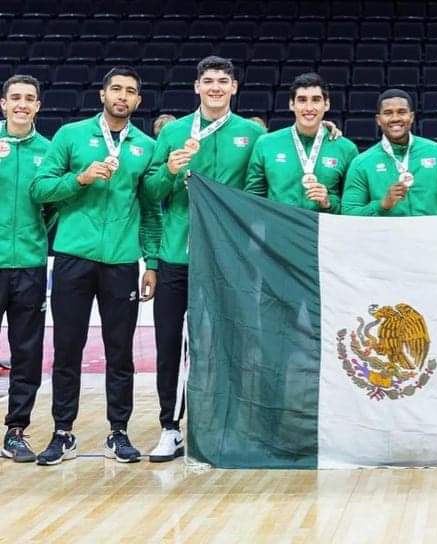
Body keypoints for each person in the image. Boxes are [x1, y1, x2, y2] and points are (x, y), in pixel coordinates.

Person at [30, 66, 161, 465]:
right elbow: (39, 189)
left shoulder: (146, 146)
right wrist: (80, 179)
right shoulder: (71, 136)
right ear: (102, 94)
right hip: (72, 258)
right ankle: (62, 432)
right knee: (67, 348)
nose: (123, 96)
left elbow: (151, 208)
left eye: (131, 92)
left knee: (119, 351)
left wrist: (151, 262)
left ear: (139, 101)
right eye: (116, 89)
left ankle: (118, 432)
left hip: (122, 262)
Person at [143, 56, 265, 462]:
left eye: (223, 81)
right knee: (169, 344)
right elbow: (150, 192)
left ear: (234, 88)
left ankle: (233, 425)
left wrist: (330, 134)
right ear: (196, 87)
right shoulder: (175, 132)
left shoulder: (252, 134)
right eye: (208, 80)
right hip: (178, 254)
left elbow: (259, 190)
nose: (215, 87)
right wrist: (171, 172)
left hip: (229, 258)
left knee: (231, 342)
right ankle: (169, 427)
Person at [0, 75, 50, 462]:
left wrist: (36, 239)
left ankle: (16, 430)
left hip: (30, 265)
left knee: (27, 350)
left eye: (29, 99)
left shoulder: (49, 153)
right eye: (15, 97)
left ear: (38, 106)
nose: (22, 104)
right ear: (3, 104)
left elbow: (53, 207)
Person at [245, 72, 357, 212]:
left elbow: (352, 206)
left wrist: (329, 203)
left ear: (326, 104)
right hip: (279, 230)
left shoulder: (346, 149)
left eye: (316, 100)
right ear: (292, 104)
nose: (309, 108)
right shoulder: (266, 144)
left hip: (323, 231)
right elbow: (253, 197)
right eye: (302, 100)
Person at [341, 89, 437, 216]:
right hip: (386, 235)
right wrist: (382, 205)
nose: (395, 118)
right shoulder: (362, 163)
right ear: (378, 119)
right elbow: (349, 212)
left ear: (411, 117)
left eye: (402, 112)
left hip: (432, 235)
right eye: (388, 113)